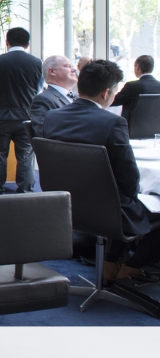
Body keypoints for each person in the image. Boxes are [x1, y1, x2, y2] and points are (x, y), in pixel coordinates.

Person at [43, 60, 160, 280]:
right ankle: (133, 266)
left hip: (63, 206)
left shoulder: (52, 117)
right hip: (107, 212)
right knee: (132, 197)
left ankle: (110, 263)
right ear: (106, 93)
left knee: (120, 195)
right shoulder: (112, 123)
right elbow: (129, 179)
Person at [0, 27, 42, 194]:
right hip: (26, 117)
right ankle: (25, 192)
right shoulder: (37, 63)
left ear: (6, 42)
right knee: (25, 158)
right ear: (28, 44)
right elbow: (37, 89)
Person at [29, 55, 78, 137]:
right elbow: (43, 135)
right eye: (68, 66)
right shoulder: (43, 100)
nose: (74, 70)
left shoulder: (78, 97)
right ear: (52, 71)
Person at [111, 55, 160, 122]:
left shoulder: (132, 86)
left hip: (130, 129)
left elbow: (112, 101)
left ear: (137, 67)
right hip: (155, 129)